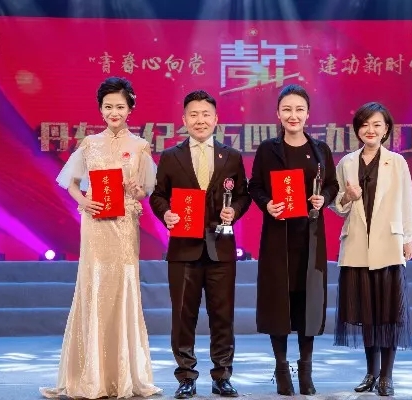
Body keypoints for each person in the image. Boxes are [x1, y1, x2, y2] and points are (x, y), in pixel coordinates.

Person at [40, 77, 162, 399]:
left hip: (124, 226)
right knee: (93, 286)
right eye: (108, 107)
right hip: (95, 224)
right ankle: (90, 375)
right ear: (100, 109)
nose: (113, 112)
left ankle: (122, 375)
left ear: (130, 108)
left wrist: (136, 190)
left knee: (123, 287)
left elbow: (145, 191)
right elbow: (70, 182)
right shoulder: (89, 144)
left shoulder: (140, 146)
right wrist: (84, 201)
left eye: (120, 106)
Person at [149, 90, 251, 399]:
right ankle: (186, 376)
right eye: (193, 114)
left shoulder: (231, 156)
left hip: (221, 246)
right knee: (184, 316)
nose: (200, 120)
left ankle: (222, 375)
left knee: (223, 315)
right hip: (183, 248)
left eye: (206, 114)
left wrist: (235, 212)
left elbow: (243, 195)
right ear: (184, 120)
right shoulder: (171, 156)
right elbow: (158, 195)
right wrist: (166, 213)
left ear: (216, 119)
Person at [248, 84, 339, 396]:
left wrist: (323, 199)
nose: (293, 115)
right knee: (279, 303)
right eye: (287, 109)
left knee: (307, 303)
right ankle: (281, 367)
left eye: (299, 109)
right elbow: (255, 186)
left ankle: (306, 368)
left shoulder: (320, 150)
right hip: (278, 238)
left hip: (310, 238)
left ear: (308, 114)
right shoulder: (268, 149)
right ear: (278, 113)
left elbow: (332, 185)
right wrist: (267, 205)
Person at [330, 102, 412, 396]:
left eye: (376, 125)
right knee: (367, 314)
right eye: (365, 124)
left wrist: (409, 236)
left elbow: (407, 200)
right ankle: (371, 373)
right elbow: (338, 206)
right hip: (358, 246)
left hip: (388, 245)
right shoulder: (346, 162)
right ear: (357, 129)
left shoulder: (397, 162)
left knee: (388, 314)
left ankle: (387, 376)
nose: (370, 130)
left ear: (386, 129)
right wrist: (348, 196)